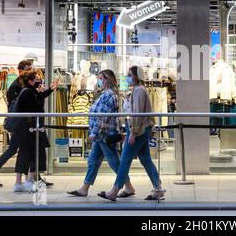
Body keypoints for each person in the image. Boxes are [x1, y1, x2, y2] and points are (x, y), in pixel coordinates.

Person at [0, 60, 57, 188]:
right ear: (21, 70)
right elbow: (18, 106)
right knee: (24, 151)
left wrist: (48, 90)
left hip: (24, 125)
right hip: (22, 125)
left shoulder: (25, 87)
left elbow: (33, 101)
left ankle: (31, 179)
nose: (31, 70)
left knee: (23, 150)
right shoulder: (17, 86)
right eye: (28, 68)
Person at [98, 66, 164, 201]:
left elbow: (137, 114)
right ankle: (158, 188)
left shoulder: (139, 91)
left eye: (129, 75)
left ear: (135, 76)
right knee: (145, 159)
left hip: (137, 130)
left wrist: (133, 133)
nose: (127, 77)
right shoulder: (137, 90)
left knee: (125, 160)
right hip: (140, 129)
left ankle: (114, 191)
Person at [67, 70, 136, 198]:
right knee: (93, 161)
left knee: (114, 162)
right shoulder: (108, 94)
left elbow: (102, 117)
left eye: (101, 78)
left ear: (108, 79)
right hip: (101, 135)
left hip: (104, 135)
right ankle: (84, 188)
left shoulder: (108, 95)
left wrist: (94, 133)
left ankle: (128, 186)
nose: (99, 81)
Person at [13, 71, 50, 192]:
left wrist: (49, 90)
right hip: (30, 128)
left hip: (25, 128)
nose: (39, 81)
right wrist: (42, 93)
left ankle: (19, 183)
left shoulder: (28, 91)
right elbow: (38, 106)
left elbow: (38, 98)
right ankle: (29, 180)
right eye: (37, 79)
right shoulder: (29, 92)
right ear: (30, 81)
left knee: (24, 153)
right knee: (36, 153)